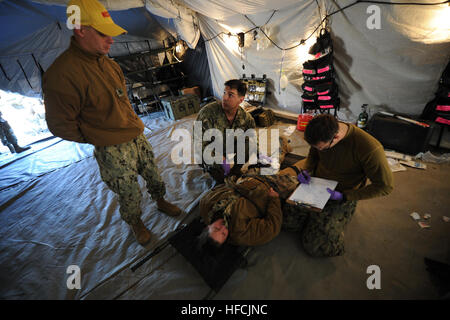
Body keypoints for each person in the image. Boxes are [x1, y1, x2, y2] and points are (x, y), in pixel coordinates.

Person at [42, 0, 181, 246]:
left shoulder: (109, 64)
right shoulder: (62, 75)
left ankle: (160, 201)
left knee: (153, 174)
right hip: (111, 147)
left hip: (136, 134)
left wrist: (132, 124)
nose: (111, 40)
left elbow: (122, 101)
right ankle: (136, 222)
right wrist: (97, 136)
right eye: (103, 33)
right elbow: (60, 124)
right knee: (128, 191)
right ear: (80, 30)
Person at [281, 113, 394, 257]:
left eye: (323, 148)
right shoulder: (322, 133)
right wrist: (306, 170)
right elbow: (313, 155)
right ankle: (316, 218)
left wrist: (345, 196)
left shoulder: (369, 148)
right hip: (315, 184)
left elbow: (385, 186)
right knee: (287, 223)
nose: (319, 150)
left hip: (342, 193)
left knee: (316, 246)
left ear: (336, 137)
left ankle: (333, 219)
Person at [198, 173, 300, 247]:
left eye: (216, 228)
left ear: (208, 227)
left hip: (248, 177)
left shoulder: (206, 205)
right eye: (224, 234)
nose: (223, 228)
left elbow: (222, 187)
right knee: (302, 179)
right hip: (270, 188)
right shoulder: (241, 234)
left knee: (268, 151)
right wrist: (274, 199)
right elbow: (272, 227)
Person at [195, 79, 256, 184]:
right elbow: (198, 144)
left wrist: (259, 154)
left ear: (241, 100)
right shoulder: (206, 114)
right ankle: (216, 172)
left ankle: (235, 171)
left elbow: (252, 140)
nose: (224, 98)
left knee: (249, 145)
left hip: (228, 149)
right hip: (211, 152)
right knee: (221, 181)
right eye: (224, 93)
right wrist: (220, 159)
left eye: (231, 95)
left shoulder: (246, 118)